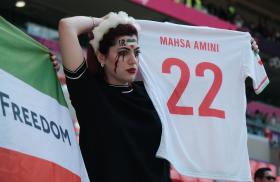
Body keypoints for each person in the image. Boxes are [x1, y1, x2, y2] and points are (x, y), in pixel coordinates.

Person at [57, 11, 260, 182]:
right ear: (101, 56)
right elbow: (67, 26)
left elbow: (213, 92)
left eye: (136, 52)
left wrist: (242, 52)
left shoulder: (154, 92)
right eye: (123, 51)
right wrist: (105, 22)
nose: (132, 60)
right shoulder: (89, 92)